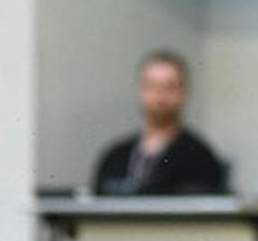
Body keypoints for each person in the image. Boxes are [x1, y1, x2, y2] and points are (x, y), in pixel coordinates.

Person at [92, 50, 230, 195]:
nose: (159, 97)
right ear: (140, 90)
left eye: (168, 88)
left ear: (183, 93)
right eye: (151, 87)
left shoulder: (199, 157)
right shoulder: (115, 156)